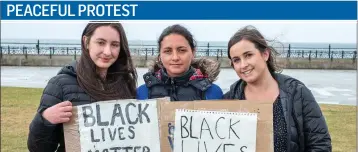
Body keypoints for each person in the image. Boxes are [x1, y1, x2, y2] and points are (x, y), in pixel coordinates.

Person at [27, 22, 137, 152]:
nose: (107, 52)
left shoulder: (125, 84)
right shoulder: (60, 85)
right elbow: (38, 149)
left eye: (114, 45)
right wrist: (45, 119)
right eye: (100, 42)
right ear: (86, 42)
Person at [224, 25, 331, 152]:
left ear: (265, 54)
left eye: (248, 55)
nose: (243, 65)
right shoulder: (229, 100)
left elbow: (320, 144)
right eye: (236, 60)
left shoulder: (297, 93)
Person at [137, 24, 223, 101]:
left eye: (182, 50)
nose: (175, 57)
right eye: (168, 51)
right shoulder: (142, 93)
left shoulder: (213, 93)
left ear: (193, 53)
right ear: (160, 56)